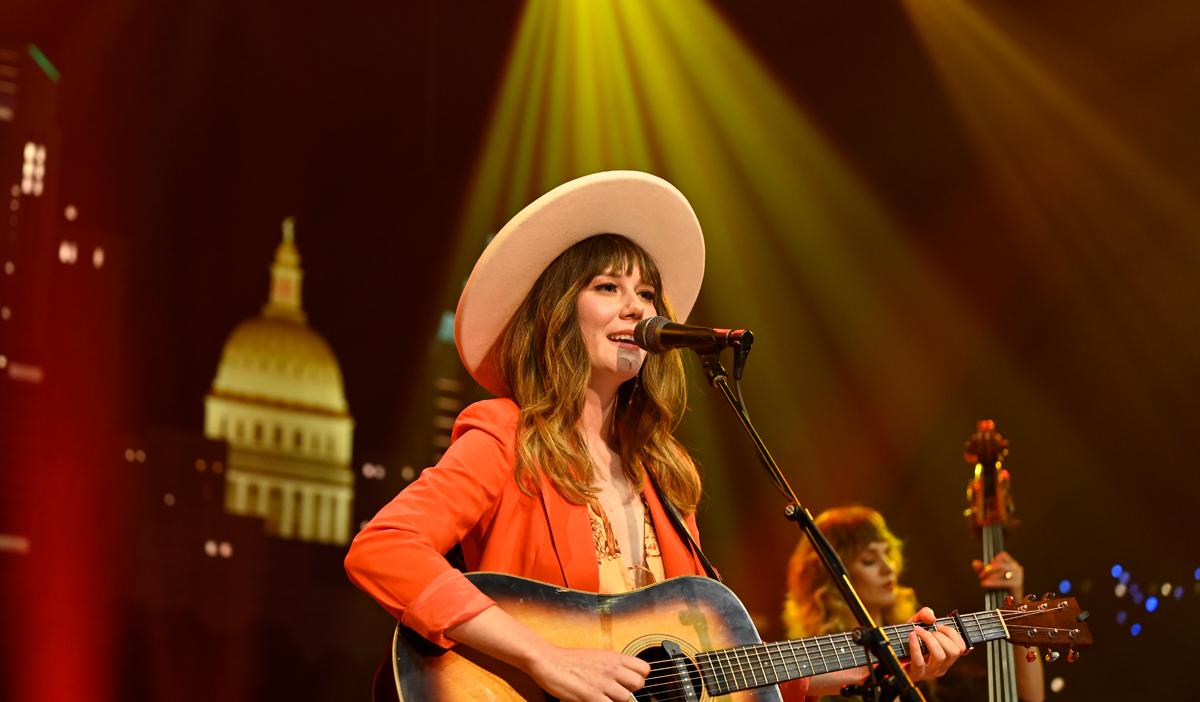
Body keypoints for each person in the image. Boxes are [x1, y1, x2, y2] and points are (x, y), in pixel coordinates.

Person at [345, 172, 963, 702]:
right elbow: (385, 548)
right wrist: (542, 656)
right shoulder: (506, 435)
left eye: (646, 292)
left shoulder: (663, 477)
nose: (637, 309)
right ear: (559, 312)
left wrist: (876, 658)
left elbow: (701, 663)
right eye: (608, 287)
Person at [783, 507, 1044, 702]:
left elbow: (1024, 698)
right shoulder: (810, 675)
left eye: (888, 554)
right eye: (869, 560)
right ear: (829, 580)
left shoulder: (922, 651)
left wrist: (1015, 604)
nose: (889, 568)